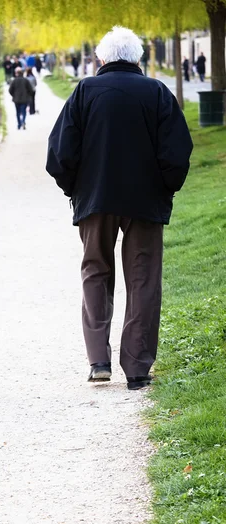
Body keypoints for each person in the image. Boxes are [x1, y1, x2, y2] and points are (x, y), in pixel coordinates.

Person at [46, 26, 193, 391]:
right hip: (145, 201)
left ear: (102, 58)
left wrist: (75, 189)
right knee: (143, 279)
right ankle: (138, 366)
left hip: (95, 199)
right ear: (138, 58)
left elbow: (60, 153)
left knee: (95, 272)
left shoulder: (85, 92)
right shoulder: (157, 92)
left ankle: (99, 360)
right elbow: (177, 152)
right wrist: (166, 188)